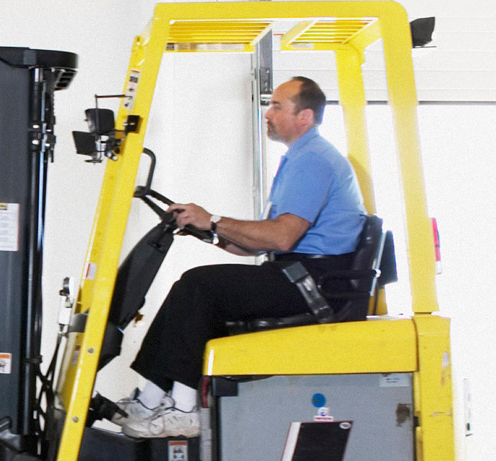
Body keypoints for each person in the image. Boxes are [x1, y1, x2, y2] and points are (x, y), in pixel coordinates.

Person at [117, 76, 366, 438]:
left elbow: (281, 236)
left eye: (277, 106)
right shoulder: (300, 158)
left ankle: (184, 411)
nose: (268, 113)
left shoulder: (314, 160)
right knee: (190, 289)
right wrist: (210, 232)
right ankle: (150, 400)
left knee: (199, 286)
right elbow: (260, 244)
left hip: (315, 283)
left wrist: (214, 220)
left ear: (305, 116)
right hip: (298, 273)